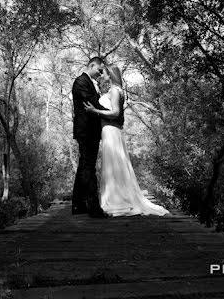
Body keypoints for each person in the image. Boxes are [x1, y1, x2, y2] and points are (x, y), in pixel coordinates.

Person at [84, 64, 169, 216]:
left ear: (110, 75)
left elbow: (116, 113)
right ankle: (113, 195)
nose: (102, 75)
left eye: (104, 73)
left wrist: (94, 111)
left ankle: (117, 199)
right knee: (112, 163)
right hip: (108, 130)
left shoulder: (115, 91)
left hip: (111, 130)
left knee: (113, 163)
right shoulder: (113, 90)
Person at [71, 57, 113, 217]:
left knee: (84, 166)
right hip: (86, 132)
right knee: (89, 168)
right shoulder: (81, 82)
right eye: (100, 70)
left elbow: (94, 105)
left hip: (90, 131)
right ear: (92, 65)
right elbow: (93, 105)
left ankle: (78, 205)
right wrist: (113, 115)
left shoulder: (88, 82)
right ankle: (94, 208)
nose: (101, 73)